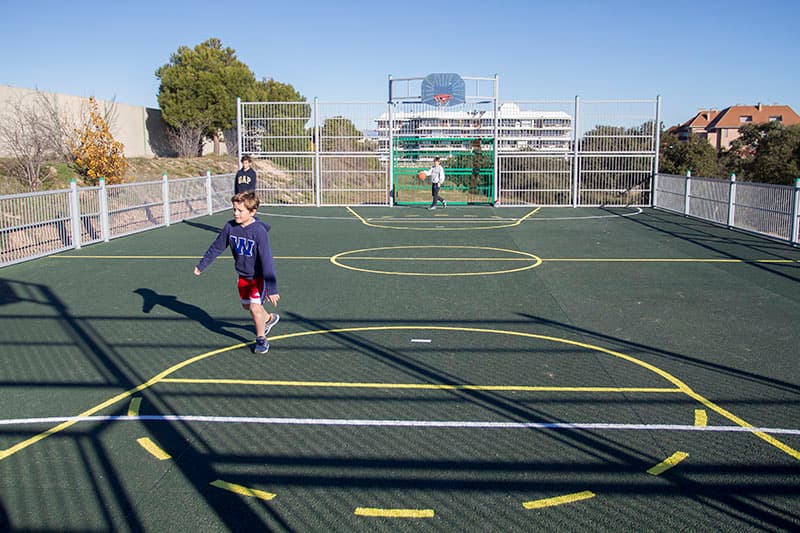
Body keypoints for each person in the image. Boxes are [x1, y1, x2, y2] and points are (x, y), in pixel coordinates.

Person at [193, 191, 280, 354]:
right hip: (243, 275)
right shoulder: (230, 227)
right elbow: (217, 247)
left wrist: (272, 288)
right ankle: (269, 318)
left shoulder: (259, 232)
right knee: (247, 306)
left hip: (258, 277)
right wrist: (202, 264)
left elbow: (267, 259)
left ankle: (261, 339)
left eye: (240, 211)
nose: (236, 213)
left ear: (252, 212)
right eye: (234, 210)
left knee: (255, 308)